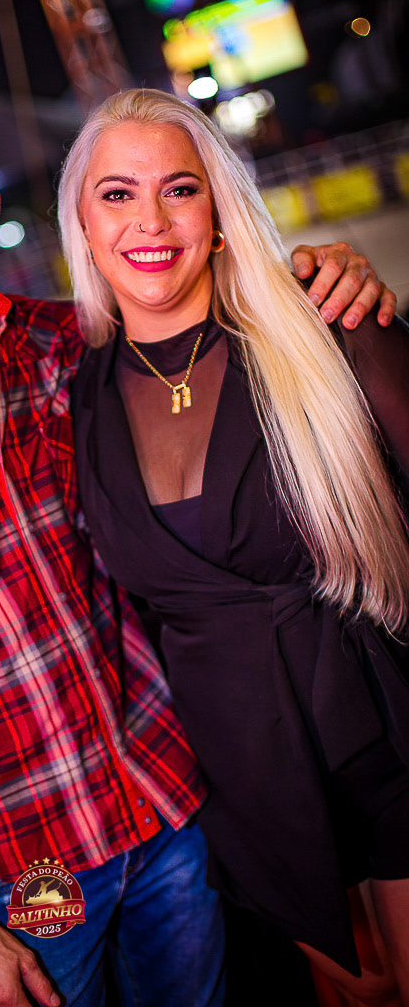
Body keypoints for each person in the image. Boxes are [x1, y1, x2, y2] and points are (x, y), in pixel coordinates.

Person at [0, 69, 394, 1007]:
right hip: (26, 877)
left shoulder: (68, 349)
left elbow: (201, 305)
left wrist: (324, 274)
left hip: (172, 810)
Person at [61, 88, 409, 1006]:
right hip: (244, 784)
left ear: (218, 211)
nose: (150, 220)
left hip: (386, 733)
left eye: (179, 189)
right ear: (83, 226)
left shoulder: (328, 326)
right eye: (117, 194)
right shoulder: (78, 395)